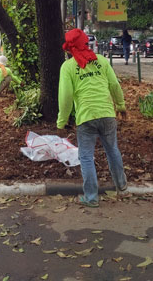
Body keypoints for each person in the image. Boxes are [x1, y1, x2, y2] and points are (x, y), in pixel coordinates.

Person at [57, 28, 128, 208]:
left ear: (69, 48)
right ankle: (122, 186)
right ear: (87, 44)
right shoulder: (102, 61)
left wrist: (61, 122)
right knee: (112, 150)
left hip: (86, 117)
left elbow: (65, 96)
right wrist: (120, 106)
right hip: (107, 114)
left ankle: (91, 197)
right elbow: (114, 85)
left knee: (86, 157)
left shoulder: (68, 67)